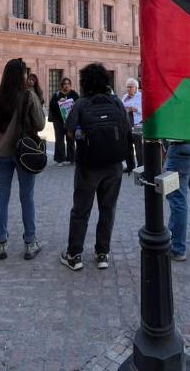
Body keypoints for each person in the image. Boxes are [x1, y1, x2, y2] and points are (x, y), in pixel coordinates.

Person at [59, 63, 134, 271]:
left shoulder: (81, 103)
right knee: (107, 209)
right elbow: (127, 130)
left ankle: (74, 255)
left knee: (81, 211)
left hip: (88, 166)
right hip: (114, 165)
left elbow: (70, 133)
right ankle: (102, 253)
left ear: (85, 82)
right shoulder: (116, 102)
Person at [0, 58, 45, 261]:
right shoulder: (28, 96)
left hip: (1, 153)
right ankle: (30, 242)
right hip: (24, 153)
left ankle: (1, 242)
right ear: (22, 75)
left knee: (2, 197)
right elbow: (40, 124)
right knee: (27, 197)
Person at [48, 77, 79, 166]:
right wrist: (59, 102)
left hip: (70, 120)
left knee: (71, 139)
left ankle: (72, 158)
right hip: (58, 121)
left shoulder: (74, 94)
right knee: (59, 140)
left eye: (68, 84)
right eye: (65, 84)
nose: (66, 85)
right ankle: (60, 159)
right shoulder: (57, 94)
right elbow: (51, 105)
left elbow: (78, 104)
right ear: (62, 85)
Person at [122, 78, 143, 170]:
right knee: (127, 145)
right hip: (127, 124)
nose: (128, 89)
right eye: (127, 87)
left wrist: (136, 109)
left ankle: (141, 166)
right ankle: (130, 166)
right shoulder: (125, 97)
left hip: (138, 124)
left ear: (136, 88)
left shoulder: (141, 97)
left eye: (130, 87)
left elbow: (146, 111)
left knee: (139, 147)